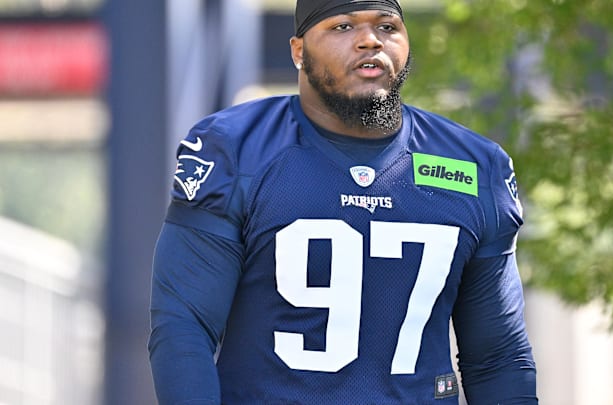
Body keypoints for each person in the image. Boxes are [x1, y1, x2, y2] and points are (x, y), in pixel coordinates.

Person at [148, 0, 537, 403]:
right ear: (299, 51)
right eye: (342, 27)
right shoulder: (237, 148)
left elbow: (498, 356)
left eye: (387, 27)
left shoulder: (473, 166)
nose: (370, 40)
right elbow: (184, 327)